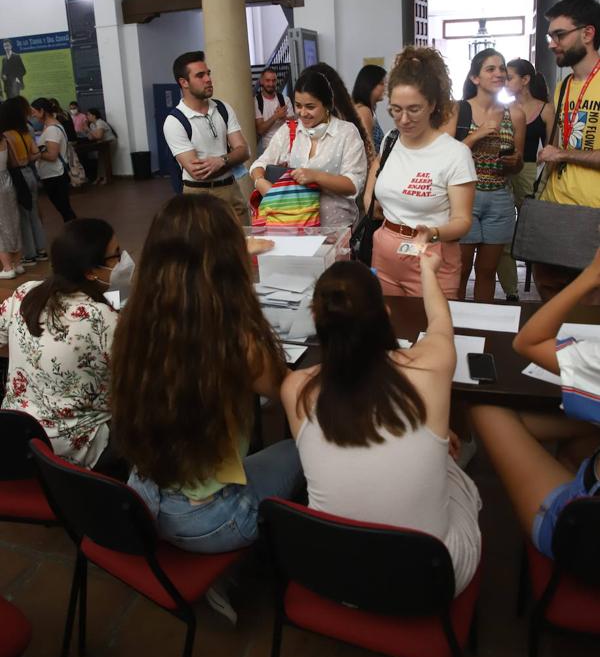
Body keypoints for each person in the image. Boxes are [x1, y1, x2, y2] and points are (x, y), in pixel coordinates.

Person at [111, 194, 303, 557]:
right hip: (209, 518)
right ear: (229, 261)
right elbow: (288, 391)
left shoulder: (134, 322)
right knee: (302, 447)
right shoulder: (237, 340)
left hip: (143, 498)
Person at [281, 255, 482, 596]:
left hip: (332, 575)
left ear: (317, 321)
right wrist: (429, 271)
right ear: (385, 316)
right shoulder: (429, 369)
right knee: (456, 473)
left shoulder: (295, 389)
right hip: (429, 581)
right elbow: (440, 323)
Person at [470, 247, 600, 561]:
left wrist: (589, 277)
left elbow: (528, 342)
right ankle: (567, 462)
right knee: (576, 430)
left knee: (483, 405)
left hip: (581, 536)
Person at [0, 218, 127, 476]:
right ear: (91, 271)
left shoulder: (25, 293)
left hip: (16, 437)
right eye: (117, 255)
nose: (124, 261)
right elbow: (141, 382)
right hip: (75, 449)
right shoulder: (104, 320)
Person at [365, 47, 476, 298]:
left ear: (432, 105)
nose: (403, 119)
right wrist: (370, 199)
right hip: (385, 255)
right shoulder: (390, 142)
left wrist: (433, 232)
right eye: (396, 109)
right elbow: (377, 171)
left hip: (431, 257)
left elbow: (462, 221)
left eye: (414, 109)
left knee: (433, 331)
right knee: (389, 328)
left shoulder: (454, 154)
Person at [534, 0, 600, 302]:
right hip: (554, 212)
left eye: (559, 35)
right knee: (549, 303)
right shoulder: (562, 87)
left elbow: (564, 150)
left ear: (588, 33)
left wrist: (564, 154)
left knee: (588, 310)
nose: (551, 43)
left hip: (592, 218)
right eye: (550, 36)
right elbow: (560, 141)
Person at [445, 49, 525, 302]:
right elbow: (445, 156)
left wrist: (515, 161)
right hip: (465, 198)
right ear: (475, 78)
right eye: (491, 69)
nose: (499, 73)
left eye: (502, 68)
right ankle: (455, 327)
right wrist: (477, 134)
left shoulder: (516, 114)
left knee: (488, 271)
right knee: (461, 270)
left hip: (500, 198)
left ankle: (483, 327)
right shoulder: (458, 110)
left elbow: (518, 163)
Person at [250, 68, 368, 228]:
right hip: (293, 229)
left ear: (327, 104)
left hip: (336, 229)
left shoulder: (346, 133)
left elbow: (353, 184)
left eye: (310, 107)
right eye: (298, 106)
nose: (303, 113)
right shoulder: (289, 130)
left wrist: (316, 176)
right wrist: (260, 182)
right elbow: (259, 164)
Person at [163, 51, 250, 225]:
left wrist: (222, 160)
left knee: (243, 244)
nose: (208, 79)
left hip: (230, 190)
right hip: (198, 196)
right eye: (200, 75)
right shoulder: (174, 121)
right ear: (184, 82)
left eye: (208, 73)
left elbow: (245, 151)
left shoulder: (223, 108)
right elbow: (198, 173)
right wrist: (232, 159)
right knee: (206, 249)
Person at [497, 58, 553, 301]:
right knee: (504, 233)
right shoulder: (504, 108)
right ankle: (511, 290)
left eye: (509, 77)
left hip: (534, 174)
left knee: (535, 232)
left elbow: (552, 149)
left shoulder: (545, 109)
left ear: (525, 80)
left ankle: (546, 287)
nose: (504, 81)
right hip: (506, 172)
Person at [0, 97, 47, 266]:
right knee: (34, 213)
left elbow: (8, 162)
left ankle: (30, 254)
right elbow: (36, 154)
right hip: (30, 172)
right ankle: (41, 250)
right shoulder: (27, 130)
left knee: (22, 217)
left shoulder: (6, 135)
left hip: (17, 176)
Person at [30, 97, 76, 222]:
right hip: (52, 173)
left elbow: (52, 155)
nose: (33, 115)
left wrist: (35, 154)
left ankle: (75, 232)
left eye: (34, 112)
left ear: (42, 111)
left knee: (64, 208)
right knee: (64, 208)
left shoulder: (52, 129)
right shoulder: (50, 126)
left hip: (55, 174)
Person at [0, 120, 22, 279]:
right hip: (7, 180)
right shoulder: (5, 139)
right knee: (13, 221)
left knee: (1, 227)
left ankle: (7, 267)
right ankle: (17, 263)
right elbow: (14, 162)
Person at [254, 67, 294, 151]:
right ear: (261, 81)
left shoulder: (285, 99)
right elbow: (260, 130)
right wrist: (276, 116)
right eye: (267, 80)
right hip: (268, 147)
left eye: (274, 80)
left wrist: (283, 118)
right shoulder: (256, 102)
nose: (271, 84)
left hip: (286, 145)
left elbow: (293, 125)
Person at [351, 63, 387, 153]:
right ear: (370, 85)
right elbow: (368, 150)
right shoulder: (364, 111)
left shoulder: (368, 110)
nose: (385, 87)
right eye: (382, 83)